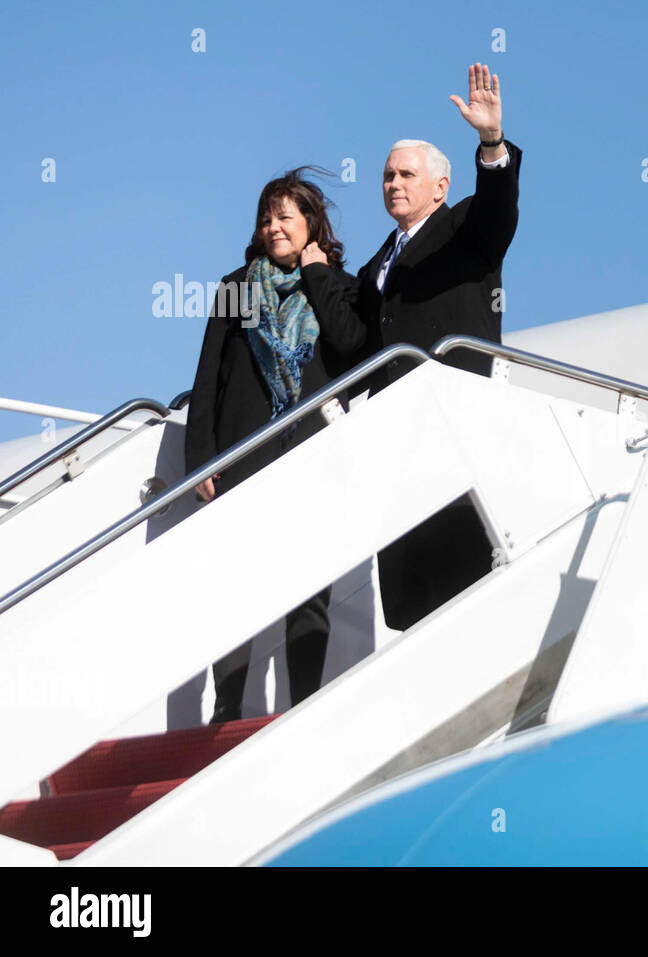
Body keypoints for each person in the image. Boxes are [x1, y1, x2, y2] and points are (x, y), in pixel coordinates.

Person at [308, 62, 523, 630]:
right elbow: (353, 334)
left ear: (440, 187)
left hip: (449, 418)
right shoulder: (379, 262)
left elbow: (499, 210)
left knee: (457, 576)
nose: (394, 184)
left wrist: (491, 142)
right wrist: (312, 266)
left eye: (406, 174)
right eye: (386, 176)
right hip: (393, 428)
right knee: (404, 589)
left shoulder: (465, 230)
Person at [184, 167, 367, 723]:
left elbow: (352, 348)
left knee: (308, 588)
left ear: (311, 224)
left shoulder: (341, 287)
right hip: (242, 457)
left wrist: (317, 276)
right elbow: (208, 382)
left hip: (313, 457)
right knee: (233, 588)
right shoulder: (237, 287)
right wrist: (201, 462)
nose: (273, 227)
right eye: (267, 218)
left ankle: (302, 707)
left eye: (285, 216)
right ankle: (228, 708)